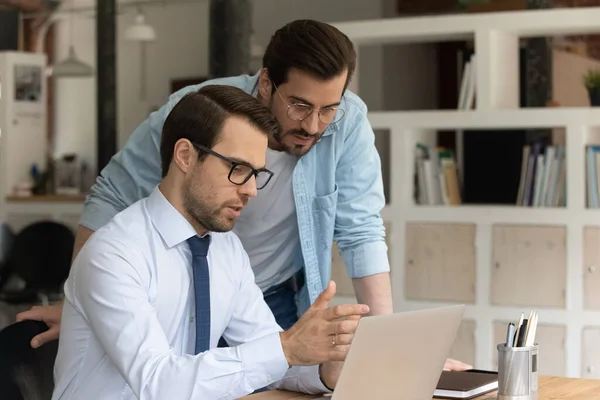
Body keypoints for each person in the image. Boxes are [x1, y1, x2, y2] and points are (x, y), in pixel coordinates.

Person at [18, 19, 470, 372]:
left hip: (266, 297)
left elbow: (361, 229)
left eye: (328, 108)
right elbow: (112, 191)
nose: (314, 126)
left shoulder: (347, 122)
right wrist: (84, 303)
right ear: (267, 83)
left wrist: (385, 346)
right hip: (179, 295)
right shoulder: (201, 112)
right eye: (300, 106)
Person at [51, 85, 370, 400]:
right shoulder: (114, 254)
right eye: (238, 169)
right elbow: (156, 384)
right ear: (186, 156)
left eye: (256, 173)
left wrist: (325, 370)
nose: (251, 191)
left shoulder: (226, 250)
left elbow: (270, 355)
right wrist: (286, 348)